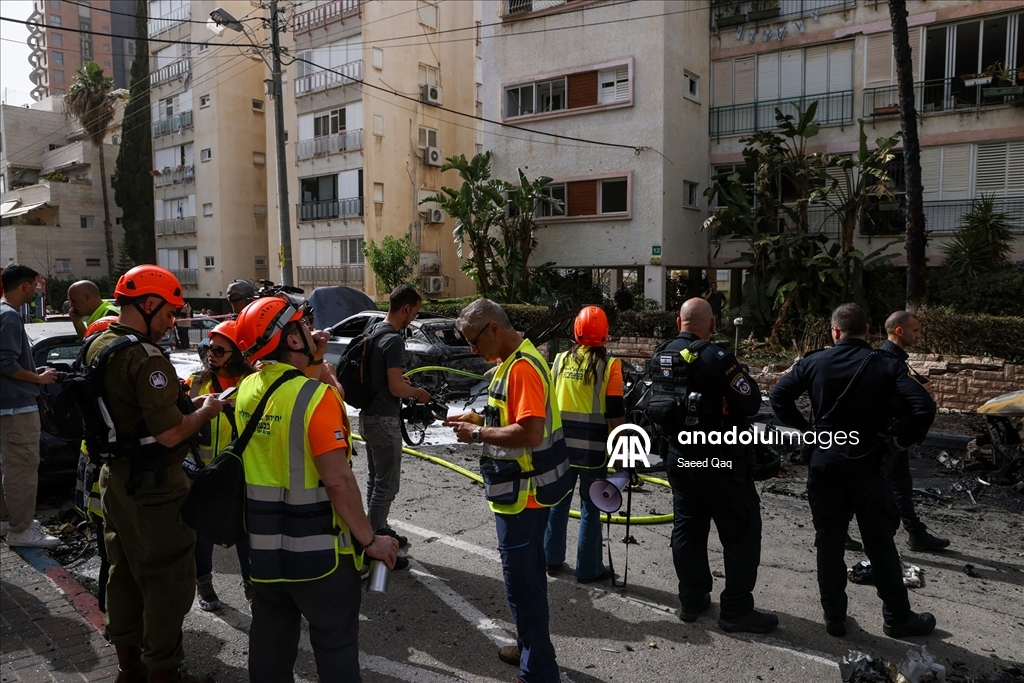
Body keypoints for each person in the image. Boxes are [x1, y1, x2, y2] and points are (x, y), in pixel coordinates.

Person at [232, 296, 398, 682]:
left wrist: (313, 364)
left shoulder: (246, 389)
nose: (310, 329)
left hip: (265, 553)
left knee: (270, 646)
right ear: (291, 339)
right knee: (335, 647)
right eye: (302, 325)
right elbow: (338, 481)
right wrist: (370, 539)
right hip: (320, 557)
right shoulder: (315, 397)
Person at [86, 265, 225, 683]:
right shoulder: (146, 358)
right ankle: (163, 671)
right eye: (167, 313)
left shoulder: (99, 342)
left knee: (123, 572)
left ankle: (128, 668)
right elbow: (169, 434)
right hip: (154, 488)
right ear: (148, 304)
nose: (171, 322)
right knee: (168, 581)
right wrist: (205, 409)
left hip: (114, 480)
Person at [769, 303, 937, 639]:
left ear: (834, 331)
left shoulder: (814, 361)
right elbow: (923, 407)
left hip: (825, 460)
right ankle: (898, 618)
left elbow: (777, 396)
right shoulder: (886, 364)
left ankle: (834, 618)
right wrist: (902, 441)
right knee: (880, 542)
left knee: (828, 541)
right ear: (869, 329)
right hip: (867, 461)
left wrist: (806, 428)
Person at [446, 298, 573, 683]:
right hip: (522, 491)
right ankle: (529, 645)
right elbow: (513, 416)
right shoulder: (513, 362)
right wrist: (480, 417)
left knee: (523, 585)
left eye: (474, 341)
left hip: (524, 494)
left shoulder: (521, 368)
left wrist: (478, 433)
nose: (472, 349)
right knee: (527, 580)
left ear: (494, 329)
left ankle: (537, 671)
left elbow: (530, 432)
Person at [655, 298, 776, 633]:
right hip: (718, 460)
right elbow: (750, 401)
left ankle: (691, 599)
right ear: (712, 325)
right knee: (741, 533)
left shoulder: (662, 354)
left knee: (688, 528)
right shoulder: (713, 355)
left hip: (679, 457)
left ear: (678, 321)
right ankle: (736, 610)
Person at [543, 305, 623, 583]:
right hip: (593, 451)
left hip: (560, 447)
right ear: (605, 334)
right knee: (591, 506)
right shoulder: (610, 365)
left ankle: (551, 559)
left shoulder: (560, 360)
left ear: (576, 331)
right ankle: (589, 569)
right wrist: (623, 448)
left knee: (557, 502)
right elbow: (615, 411)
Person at [361, 285, 431, 565]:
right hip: (383, 420)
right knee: (387, 485)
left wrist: (404, 384)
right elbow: (394, 387)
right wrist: (418, 393)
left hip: (368, 418)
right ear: (405, 308)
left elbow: (384, 380)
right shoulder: (393, 340)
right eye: (414, 311)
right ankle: (373, 545)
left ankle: (377, 529)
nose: (413, 317)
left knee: (375, 479)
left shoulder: (374, 332)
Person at [187, 320, 254, 610]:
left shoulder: (251, 384)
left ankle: (252, 588)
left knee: (243, 532)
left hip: (239, 473)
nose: (210, 355)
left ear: (237, 353)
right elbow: (184, 422)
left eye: (218, 349)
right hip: (204, 474)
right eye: (208, 348)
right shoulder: (197, 382)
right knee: (203, 533)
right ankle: (205, 587)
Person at [879, 311, 949, 552]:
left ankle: (915, 533)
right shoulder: (887, 360)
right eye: (915, 330)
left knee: (902, 488)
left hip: (895, 434)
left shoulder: (895, 359)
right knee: (875, 489)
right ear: (900, 331)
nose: (919, 335)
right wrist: (905, 439)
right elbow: (915, 406)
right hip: (890, 437)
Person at [0, 264, 60, 548]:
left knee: (9, 467)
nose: (37, 290)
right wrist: (39, 377)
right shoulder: (10, 317)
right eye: (35, 285)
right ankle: (21, 530)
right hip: (17, 409)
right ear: (24, 286)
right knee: (22, 469)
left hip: (6, 408)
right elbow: (6, 364)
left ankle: (8, 520)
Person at [72, 315, 120, 615]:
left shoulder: (87, 387)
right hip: (107, 490)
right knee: (114, 560)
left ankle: (111, 620)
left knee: (108, 558)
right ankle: (115, 621)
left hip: (96, 494)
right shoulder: (106, 394)